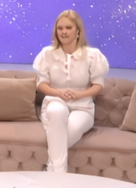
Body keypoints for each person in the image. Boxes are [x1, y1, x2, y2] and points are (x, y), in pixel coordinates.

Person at [33, 9, 108, 173]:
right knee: (57, 112)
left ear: (78, 31)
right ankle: (59, 174)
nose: (64, 32)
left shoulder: (92, 55)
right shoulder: (47, 53)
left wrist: (80, 94)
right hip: (54, 100)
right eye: (60, 28)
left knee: (67, 132)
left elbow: (98, 85)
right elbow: (41, 84)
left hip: (83, 106)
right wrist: (58, 93)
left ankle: (51, 169)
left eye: (68, 28)